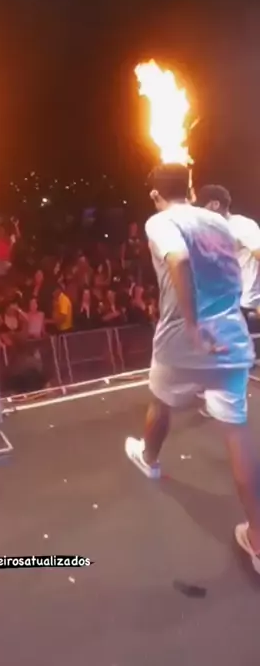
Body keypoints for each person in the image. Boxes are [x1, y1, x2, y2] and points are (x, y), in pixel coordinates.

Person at [124, 163, 260, 573]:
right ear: (188, 188)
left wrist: (191, 323)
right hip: (230, 340)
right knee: (236, 433)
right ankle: (258, 538)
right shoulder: (219, 221)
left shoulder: (160, 221)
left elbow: (179, 257)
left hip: (182, 341)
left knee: (160, 403)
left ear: (154, 194)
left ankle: (149, 458)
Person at [196, 185, 260, 344]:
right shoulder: (209, 230)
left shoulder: (242, 225)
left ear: (215, 204)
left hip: (246, 300)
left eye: (203, 207)